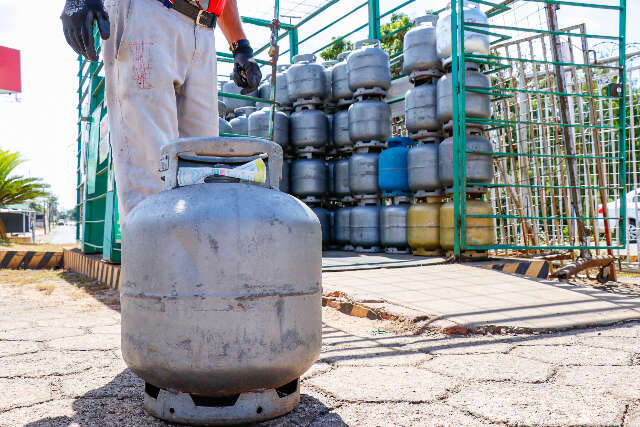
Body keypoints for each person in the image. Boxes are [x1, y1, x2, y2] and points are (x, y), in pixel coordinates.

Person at [61, 0, 261, 217]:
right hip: (148, 13)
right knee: (151, 180)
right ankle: (151, 248)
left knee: (201, 182)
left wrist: (240, 45)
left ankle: (187, 251)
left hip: (203, 29)